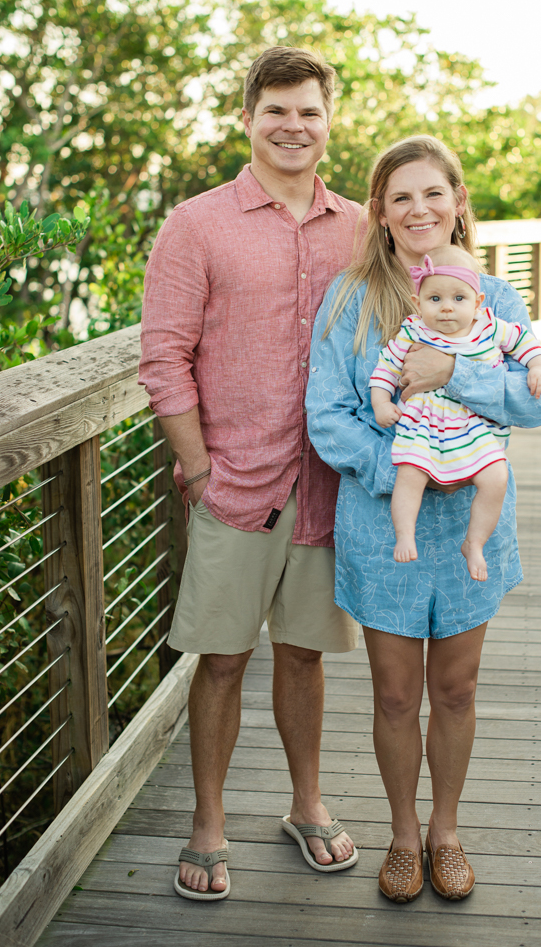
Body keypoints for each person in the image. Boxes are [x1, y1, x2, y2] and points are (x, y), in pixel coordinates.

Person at [306, 135, 541, 904]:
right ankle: (404, 835)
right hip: (387, 523)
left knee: (456, 688)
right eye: (401, 196)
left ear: (458, 203)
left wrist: (456, 373)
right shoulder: (350, 298)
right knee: (392, 694)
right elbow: (329, 416)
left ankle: (446, 832)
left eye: (433, 194)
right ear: (379, 211)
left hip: (473, 523)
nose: (419, 209)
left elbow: (537, 401)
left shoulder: (495, 297)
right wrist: (402, 468)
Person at [139, 46, 361, 902]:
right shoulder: (197, 224)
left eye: (309, 110)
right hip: (234, 484)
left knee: (304, 656)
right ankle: (208, 822)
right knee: (222, 659)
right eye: (276, 110)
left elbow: (415, 311)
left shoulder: (359, 225)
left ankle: (306, 806)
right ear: (247, 119)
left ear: (328, 121)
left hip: (327, 486)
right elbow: (165, 354)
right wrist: (197, 469)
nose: (293, 126)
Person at [369, 244, 541, 577]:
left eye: (459, 299)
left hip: (473, 426)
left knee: (496, 477)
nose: (446, 309)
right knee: (409, 476)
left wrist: (538, 366)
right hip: (423, 425)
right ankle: (404, 534)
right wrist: (382, 402)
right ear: (418, 303)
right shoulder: (413, 332)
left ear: (478, 302)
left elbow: (523, 341)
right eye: (434, 299)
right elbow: (384, 370)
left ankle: (475, 543)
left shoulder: (488, 327)